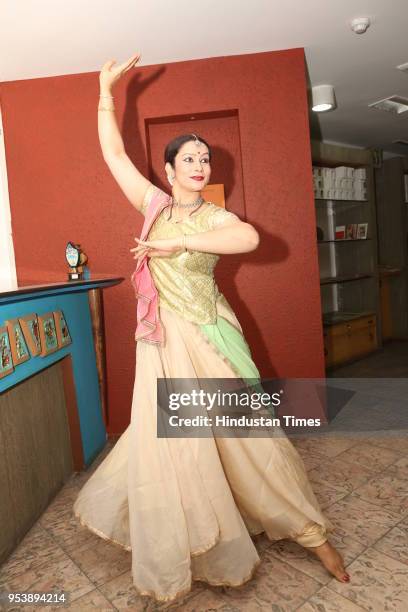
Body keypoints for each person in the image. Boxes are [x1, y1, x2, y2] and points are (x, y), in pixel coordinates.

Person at [73, 53, 350, 604]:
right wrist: (106, 92)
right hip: (161, 342)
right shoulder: (152, 205)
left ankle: (310, 534)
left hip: (207, 337)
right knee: (171, 447)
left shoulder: (214, 217)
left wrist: (182, 243)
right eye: (189, 158)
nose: (200, 164)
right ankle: (186, 538)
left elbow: (247, 239)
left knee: (246, 440)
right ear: (170, 171)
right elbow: (112, 152)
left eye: (206, 157)